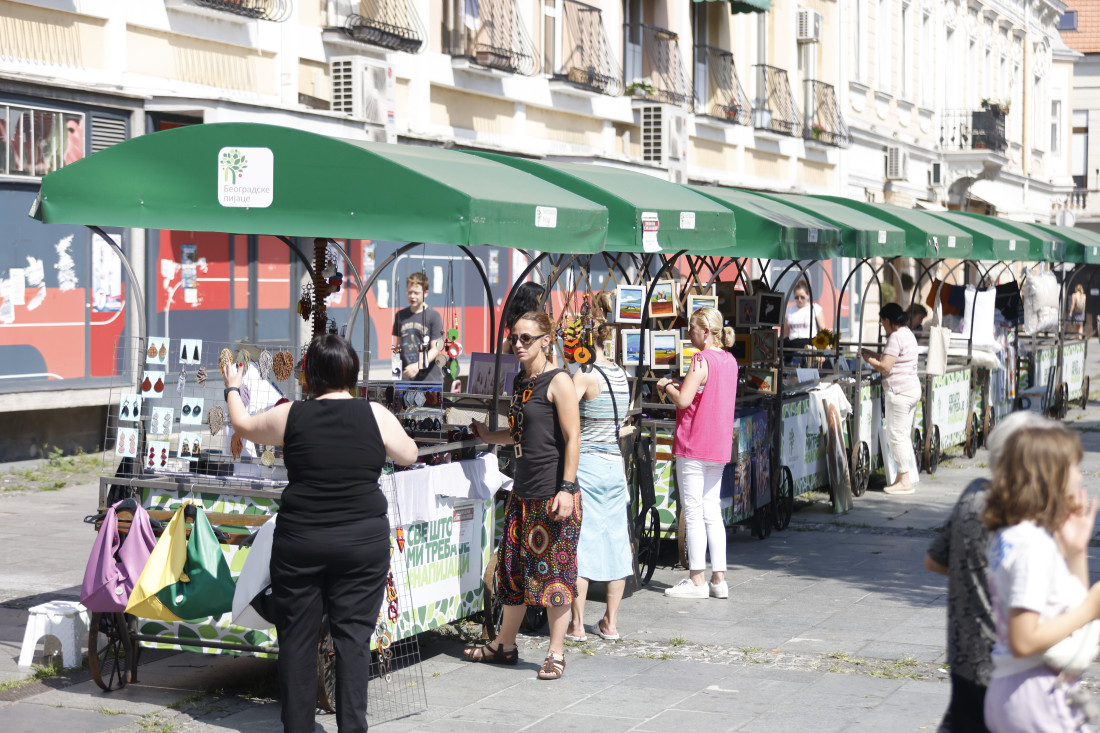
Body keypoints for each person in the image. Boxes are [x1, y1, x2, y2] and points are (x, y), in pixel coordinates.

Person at [221, 334, 417, 733]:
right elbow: (410, 454)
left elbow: (242, 423)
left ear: (309, 376)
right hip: (362, 545)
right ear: (352, 372)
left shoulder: (290, 414)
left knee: (296, 642)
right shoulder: (374, 414)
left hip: (301, 544)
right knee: (352, 642)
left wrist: (231, 385)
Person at [466, 311, 581, 680]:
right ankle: (504, 644)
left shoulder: (559, 380)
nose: (517, 344)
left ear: (546, 340)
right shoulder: (521, 381)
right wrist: (488, 437)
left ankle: (556, 653)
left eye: (526, 338)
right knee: (512, 572)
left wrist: (566, 489)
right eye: (514, 338)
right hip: (523, 492)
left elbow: (573, 437)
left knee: (554, 577)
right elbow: (518, 435)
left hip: (553, 495)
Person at [924, 411, 1050, 733]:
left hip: (964, 653)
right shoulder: (1028, 515)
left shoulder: (973, 494)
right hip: (1010, 666)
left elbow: (934, 561)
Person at [982, 423, 1100, 732]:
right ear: (1053, 476)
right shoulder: (1032, 545)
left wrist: (1076, 551)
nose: (1079, 476)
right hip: (1037, 693)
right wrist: (1091, 608)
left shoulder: (1014, 536)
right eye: (1074, 467)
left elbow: (1062, 611)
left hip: (1017, 689)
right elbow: (1024, 640)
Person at [656, 307, 737, 599]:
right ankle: (719, 578)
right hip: (718, 445)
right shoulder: (729, 360)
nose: (688, 332)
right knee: (712, 510)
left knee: (692, 510)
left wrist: (666, 385)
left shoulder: (700, 359)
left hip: (694, 443)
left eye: (692, 327)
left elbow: (684, 400)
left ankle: (697, 580)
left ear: (706, 331)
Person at [566, 294, 632, 642]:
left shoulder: (586, 375)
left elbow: (563, 410)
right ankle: (611, 622)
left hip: (588, 464)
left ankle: (577, 625)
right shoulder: (621, 375)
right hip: (614, 464)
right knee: (617, 540)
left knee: (584, 542)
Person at [861, 303, 921, 495]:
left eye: (882, 322)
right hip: (911, 389)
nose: (883, 326)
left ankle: (904, 479)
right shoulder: (907, 334)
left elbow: (886, 366)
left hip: (899, 392)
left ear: (887, 320)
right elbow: (891, 358)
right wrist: (872, 354)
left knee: (896, 436)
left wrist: (868, 359)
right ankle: (903, 477)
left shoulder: (895, 337)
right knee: (902, 434)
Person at [392, 271, 443, 381]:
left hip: (429, 380)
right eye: (410, 292)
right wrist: (396, 372)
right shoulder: (400, 315)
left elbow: (436, 349)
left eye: (416, 293)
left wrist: (418, 366)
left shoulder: (434, 316)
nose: (412, 296)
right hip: (406, 378)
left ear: (425, 293)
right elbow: (398, 345)